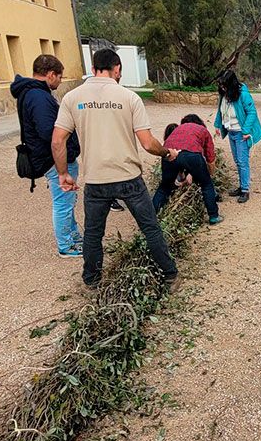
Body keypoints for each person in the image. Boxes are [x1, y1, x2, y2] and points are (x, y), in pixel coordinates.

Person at [52, 48, 180, 289]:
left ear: (93, 69)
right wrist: (167, 152)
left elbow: (57, 140)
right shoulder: (129, 98)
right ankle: (170, 274)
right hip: (128, 177)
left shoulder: (72, 98)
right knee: (150, 228)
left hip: (96, 180)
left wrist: (63, 174)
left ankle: (91, 281)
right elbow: (147, 143)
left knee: (93, 234)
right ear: (117, 69)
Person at [10, 54, 83, 258]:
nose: (60, 81)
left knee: (68, 199)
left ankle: (74, 236)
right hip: (52, 159)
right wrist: (62, 167)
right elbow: (50, 133)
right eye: (60, 77)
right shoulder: (38, 97)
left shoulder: (31, 93)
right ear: (51, 74)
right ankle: (66, 245)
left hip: (49, 156)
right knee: (63, 201)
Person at [153, 114, 221, 224]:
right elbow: (210, 156)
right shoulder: (202, 130)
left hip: (168, 154)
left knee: (164, 188)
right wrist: (210, 173)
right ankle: (213, 216)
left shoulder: (179, 128)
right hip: (191, 154)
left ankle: (151, 218)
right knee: (206, 184)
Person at [214, 69, 261, 204]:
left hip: (241, 134)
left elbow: (252, 112)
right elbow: (220, 111)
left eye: (224, 85)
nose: (222, 87)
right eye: (220, 85)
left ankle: (245, 190)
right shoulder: (224, 95)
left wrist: (246, 130)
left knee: (243, 162)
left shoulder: (243, 94)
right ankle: (241, 186)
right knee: (237, 161)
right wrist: (217, 125)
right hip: (231, 132)